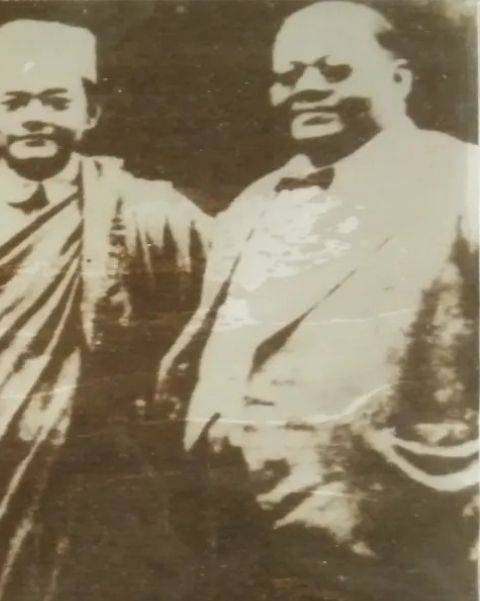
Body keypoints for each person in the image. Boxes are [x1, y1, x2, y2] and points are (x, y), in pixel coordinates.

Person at [0, 19, 210, 601]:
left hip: (93, 485)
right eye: (16, 101)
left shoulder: (148, 208)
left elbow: (227, 298)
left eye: (56, 100)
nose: (35, 117)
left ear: (91, 113)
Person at [156, 3, 478, 600]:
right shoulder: (255, 201)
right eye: (290, 74)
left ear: (399, 79)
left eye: (334, 70)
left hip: (393, 552)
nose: (307, 87)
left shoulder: (460, 176)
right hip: (238, 550)